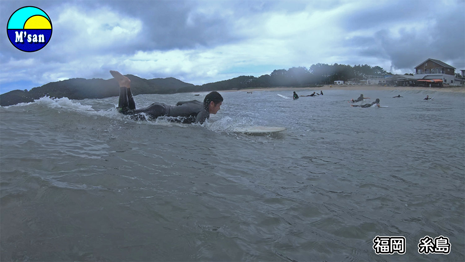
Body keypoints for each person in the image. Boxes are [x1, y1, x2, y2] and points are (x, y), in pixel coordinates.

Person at [111, 70, 222, 124]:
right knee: (123, 114)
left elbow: (179, 103)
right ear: (212, 103)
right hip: (158, 112)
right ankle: (123, 84)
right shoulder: (204, 112)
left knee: (131, 112)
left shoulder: (197, 103)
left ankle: (127, 85)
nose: (219, 108)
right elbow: (198, 128)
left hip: (160, 108)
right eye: (219, 105)